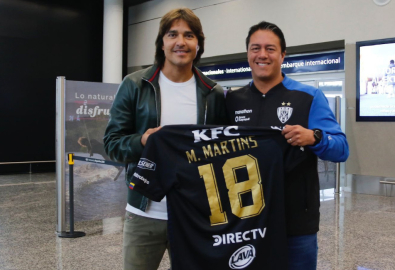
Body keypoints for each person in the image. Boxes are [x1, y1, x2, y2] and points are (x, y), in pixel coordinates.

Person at [103, 8, 228, 270]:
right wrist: (142, 142)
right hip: (144, 212)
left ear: (198, 44)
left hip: (195, 214)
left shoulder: (213, 93)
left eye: (189, 35)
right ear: (162, 42)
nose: (180, 42)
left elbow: (222, 151)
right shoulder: (135, 85)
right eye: (173, 34)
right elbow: (112, 144)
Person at [225, 21, 349, 270]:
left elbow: (341, 149)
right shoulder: (231, 100)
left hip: (296, 223)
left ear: (283, 55)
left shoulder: (308, 97)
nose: (262, 54)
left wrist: (315, 137)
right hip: (245, 223)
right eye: (255, 48)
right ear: (248, 54)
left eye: (270, 49)